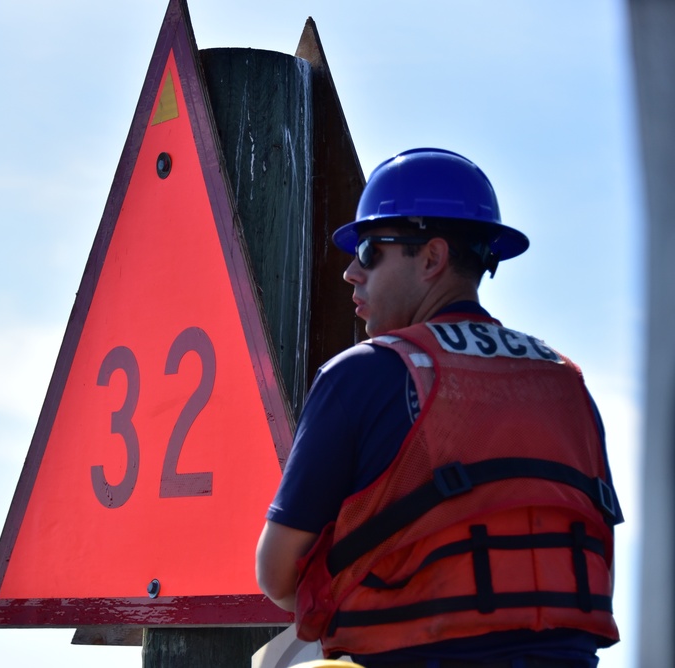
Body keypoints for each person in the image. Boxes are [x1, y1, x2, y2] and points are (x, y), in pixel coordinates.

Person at [255, 148, 621, 667]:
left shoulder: (362, 373)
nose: (351, 274)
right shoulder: (569, 383)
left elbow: (277, 574)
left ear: (431, 258)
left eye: (368, 250)